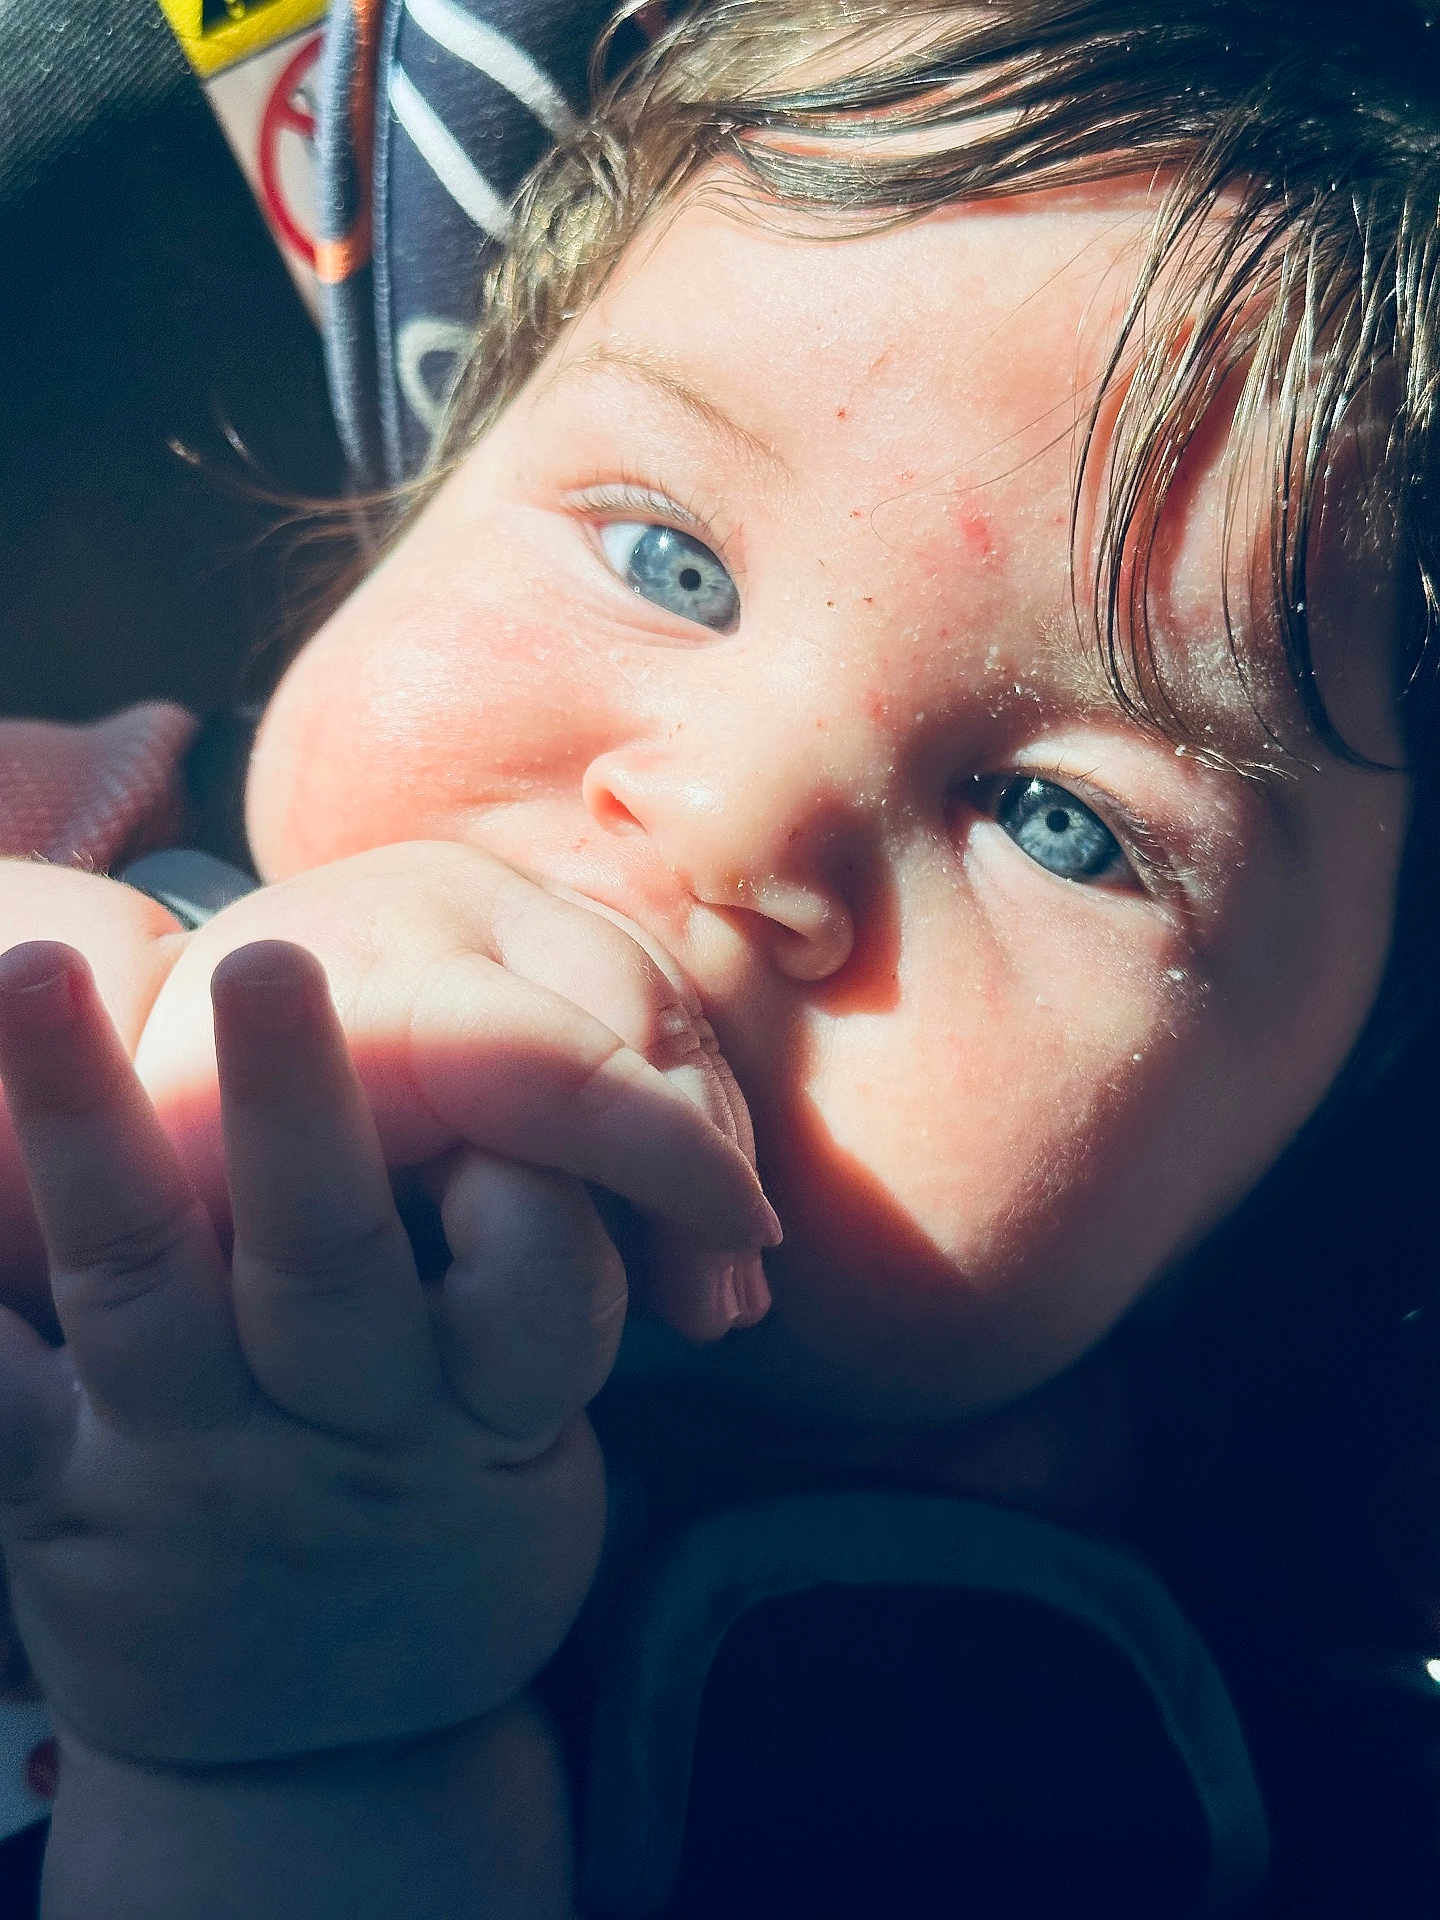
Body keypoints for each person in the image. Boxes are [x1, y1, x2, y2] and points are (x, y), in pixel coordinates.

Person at [0, 0, 1438, 1911]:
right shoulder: (67, 843)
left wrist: (323, 1747)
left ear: (1324, 1142)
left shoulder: (1079, 1730)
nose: (726, 824)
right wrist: (134, 1082)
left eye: (1059, 822)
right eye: (666, 558)